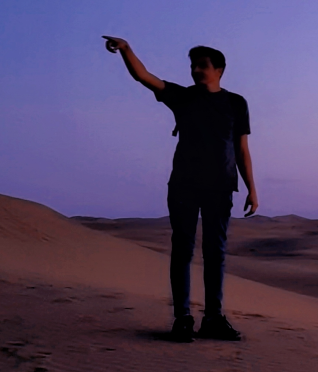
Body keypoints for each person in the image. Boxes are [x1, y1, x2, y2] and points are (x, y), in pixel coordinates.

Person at [103, 36, 258, 342]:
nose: (196, 71)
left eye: (202, 66)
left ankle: (213, 318)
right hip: (185, 185)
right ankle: (182, 318)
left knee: (216, 253)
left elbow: (242, 149)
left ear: (219, 70)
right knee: (183, 250)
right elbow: (144, 77)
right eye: (193, 66)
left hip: (221, 186)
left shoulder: (236, 103)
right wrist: (126, 50)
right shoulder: (181, 96)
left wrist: (252, 189)